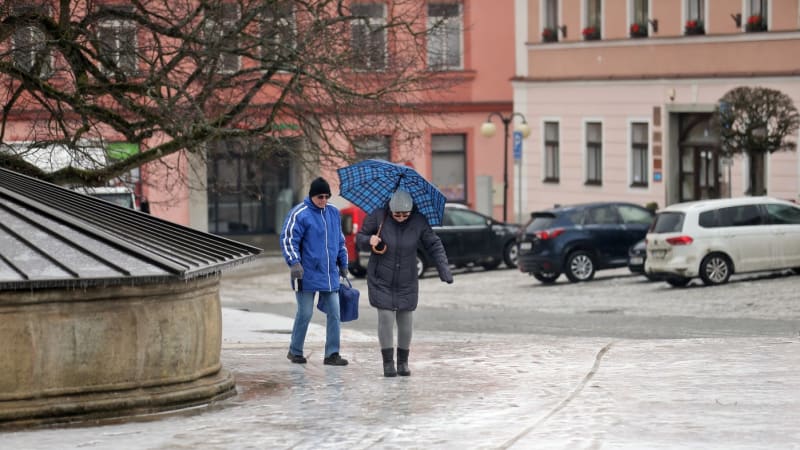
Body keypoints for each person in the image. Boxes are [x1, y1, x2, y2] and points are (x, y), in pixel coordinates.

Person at [356, 189, 453, 377]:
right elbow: (360, 239)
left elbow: (434, 244)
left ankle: (403, 362)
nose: (401, 218)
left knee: (405, 319)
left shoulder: (419, 221)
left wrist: (444, 270)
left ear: (411, 211)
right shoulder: (378, 216)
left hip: (407, 279)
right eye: (397, 214)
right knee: (385, 317)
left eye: (405, 214)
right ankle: (387, 363)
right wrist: (369, 239)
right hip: (381, 277)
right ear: (390, 209)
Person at [280, 177, 350, 366]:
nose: (324, 200)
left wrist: (343, 264)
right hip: (305, 273)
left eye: (327, 196)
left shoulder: (334, 213)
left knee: (335, 312)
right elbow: (288, 239)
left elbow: (340, 241)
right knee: (305, 313)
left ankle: (332, 354)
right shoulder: (299, 213)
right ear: (312, 196)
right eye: (320, 196)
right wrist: (294, 263)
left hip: (329, 274)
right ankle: (295, 351)